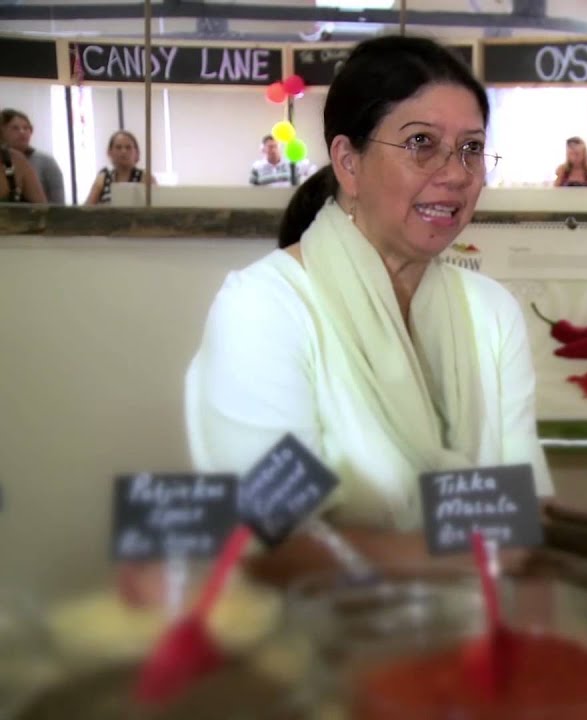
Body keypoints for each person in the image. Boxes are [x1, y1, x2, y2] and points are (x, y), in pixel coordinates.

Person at [183, 36, 552, 587]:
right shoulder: (267, 309)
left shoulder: (492, 313)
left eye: (472, 148)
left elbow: (524, 510)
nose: (456, 174)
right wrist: (457, 560)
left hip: (473, 643)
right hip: (318, 651)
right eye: (422, 143)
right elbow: (270, 542)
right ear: (348, 163)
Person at [2, 109, 65, 204]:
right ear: (2, 132)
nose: (22, 132)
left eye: (26, 128)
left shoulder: (46, 161)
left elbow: (58, 203)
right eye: (15, 128)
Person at [85, 130, 154, 205]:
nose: (123, 151)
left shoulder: (145, 177)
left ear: (136, 153)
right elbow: (87, 209)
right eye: (118, 147)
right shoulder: (103, 178)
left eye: (128, 147)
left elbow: (156, 208)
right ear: (109, 152)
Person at [250, 135, 315, 187]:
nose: (274, 150)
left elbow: (311, 170)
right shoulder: (257, 167)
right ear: (263, 149)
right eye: (270, 147)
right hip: (267, 201)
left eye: (276, 146)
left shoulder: (291, 164)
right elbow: (253, 189)